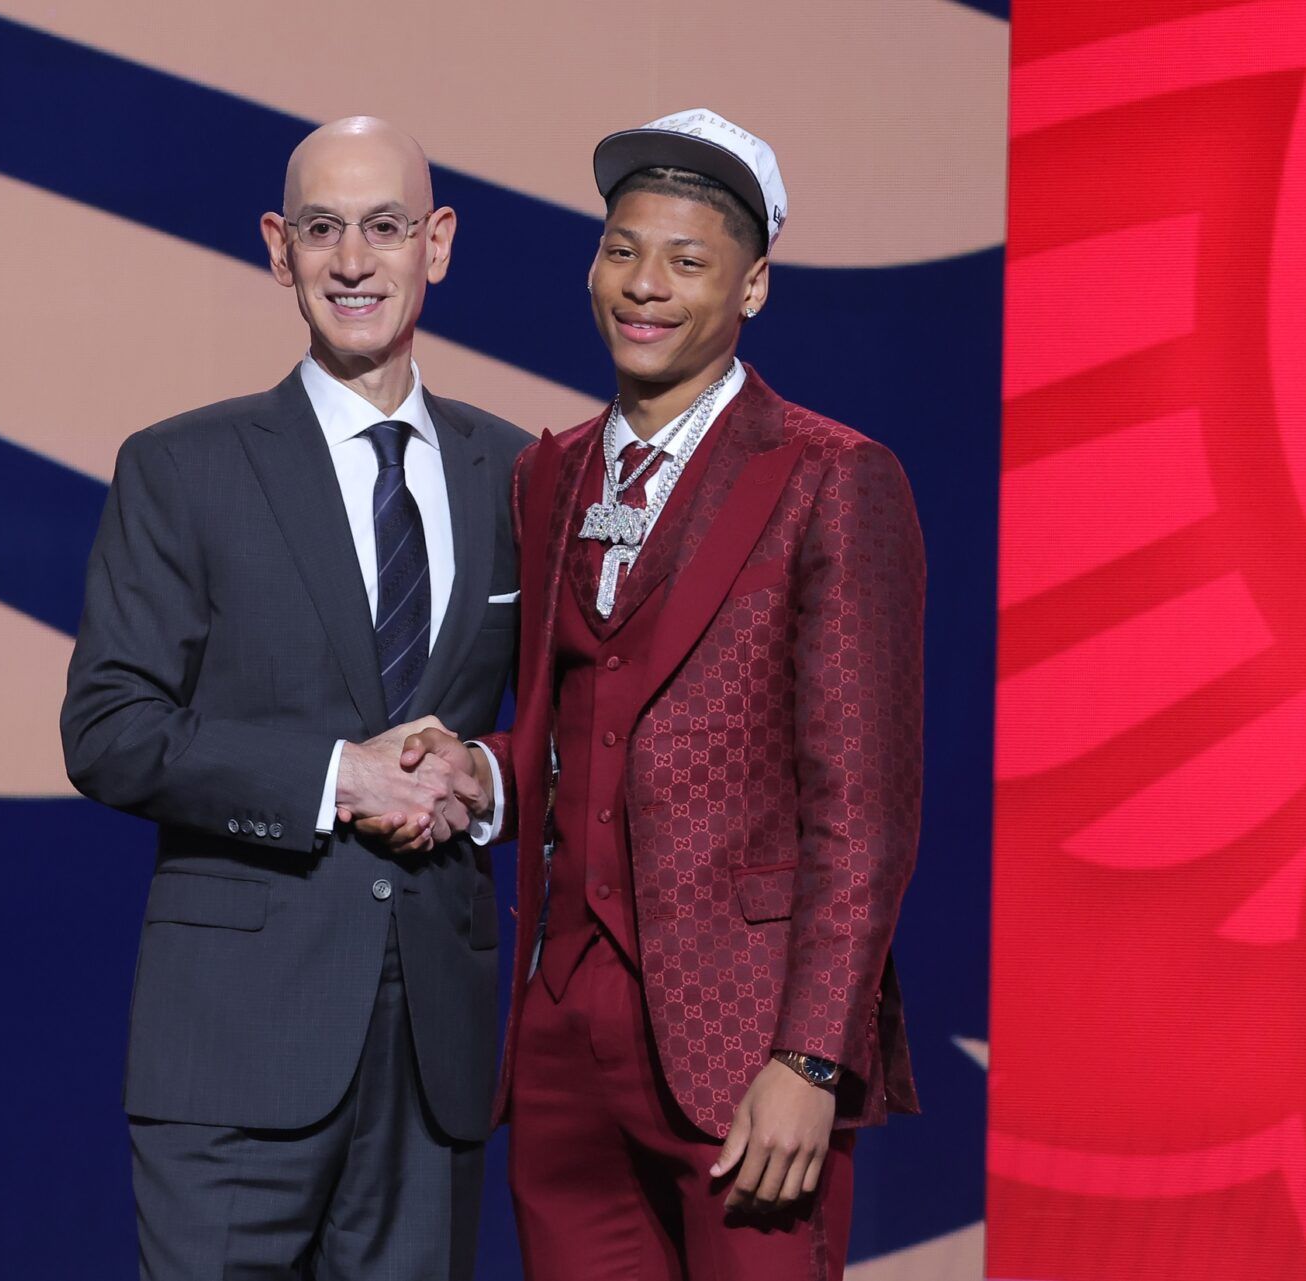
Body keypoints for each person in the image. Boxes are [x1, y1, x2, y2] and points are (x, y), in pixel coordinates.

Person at [393, 108, 926, 1279]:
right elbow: (579, 738)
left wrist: (814, 1060)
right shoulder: (552, 472)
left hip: (748, 1054)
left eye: (688, 262)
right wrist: (476, 773)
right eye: (623, 250)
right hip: (564, 1035)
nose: (646, 287)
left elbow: (865, 812)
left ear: (755, 287)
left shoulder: (834, 478)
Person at [60, 116, 529, 1281]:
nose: (355, 260)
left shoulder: (523, 475)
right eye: (323, 229)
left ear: (441, 243)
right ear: (280, 249)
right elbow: (111, 729)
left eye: (386, 228)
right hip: (231, 1052)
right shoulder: (183, 468)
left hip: (435, 1055)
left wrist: (488, 781)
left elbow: (577, 730)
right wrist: (336, 777)